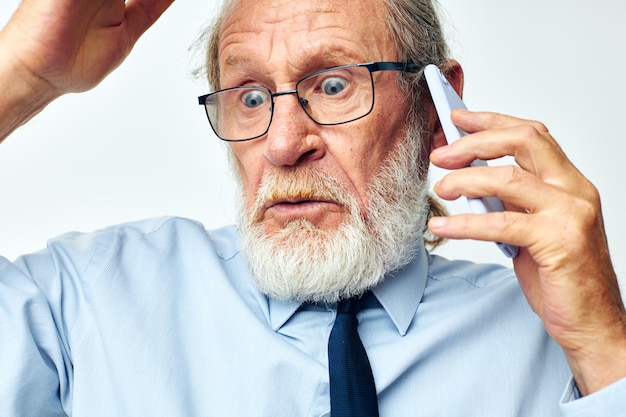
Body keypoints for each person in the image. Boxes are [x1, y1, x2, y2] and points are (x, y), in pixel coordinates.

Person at [1, 0, 625, 415]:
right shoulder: (84, 302)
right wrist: (21, 76)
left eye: (332, 85)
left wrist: (605, 348)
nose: (281, 145)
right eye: (248, 97)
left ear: (433, 108)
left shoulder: (557, 340)